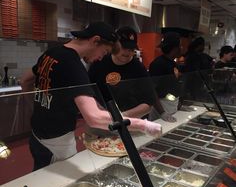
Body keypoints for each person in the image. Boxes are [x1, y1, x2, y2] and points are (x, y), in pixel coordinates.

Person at [20, 22, 162, 171]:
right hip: (57, 141)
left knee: (40, 175)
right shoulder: (73, 66)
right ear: (95, 41)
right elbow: (94, 118)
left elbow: (25, 80)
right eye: (104, 52)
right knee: (57, 185)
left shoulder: (51, 53)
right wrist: (144, 125)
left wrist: (36, 110)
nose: (101, 58)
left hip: (36, 135)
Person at [88, 26, 155, 119]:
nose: (128, 52)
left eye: (131, 49)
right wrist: (100, 112)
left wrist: (122, 116)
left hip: (130, 120)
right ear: (114, 45)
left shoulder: (138, 68)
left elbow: (149, 103)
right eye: (124, 47)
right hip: (101, 118)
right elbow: (88, 91)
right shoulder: (100, 61)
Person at [148, 32, 182, 120]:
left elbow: (174, 85)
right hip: (161, 106)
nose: (181, 48)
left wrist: (179, 104)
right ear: (175, 48)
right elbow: (152, 91)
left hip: (172, 104)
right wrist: (162, 112)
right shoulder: (158, 64)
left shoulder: (173, 63)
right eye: (180, 46)